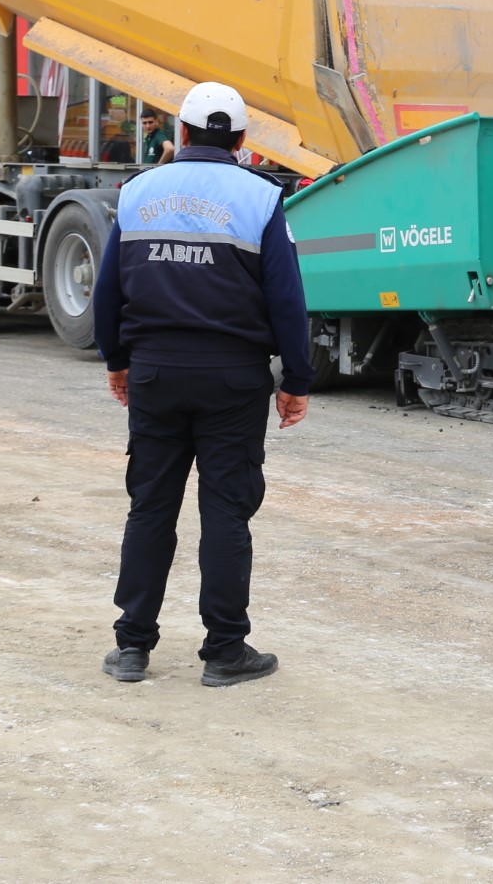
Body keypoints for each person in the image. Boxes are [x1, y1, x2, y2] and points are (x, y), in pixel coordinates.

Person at [92, 81, 313, 687]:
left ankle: (132, 647)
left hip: (157, 374)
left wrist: (117, 360)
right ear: (241, 141)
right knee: (225, 513)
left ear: (181, 132)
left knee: (150, 509)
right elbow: (287, 300)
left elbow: (107, 291)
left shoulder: (137, 193)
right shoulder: (261, 199)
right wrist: (295, 378)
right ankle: (224, 652)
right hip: (233, 381)